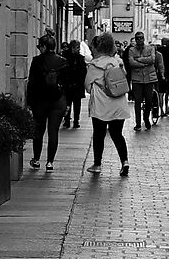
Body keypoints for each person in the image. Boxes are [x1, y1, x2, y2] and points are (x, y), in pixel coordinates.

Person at [84, 30, 133, 176]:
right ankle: (124, 161)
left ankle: (97, 164)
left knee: (99, 134)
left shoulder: (95, 65)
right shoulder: (117, 62)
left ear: (97, 48)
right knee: (117, 134)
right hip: (118, 104)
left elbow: (87, 86)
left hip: (101, 105)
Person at [26, 32, 70, 173]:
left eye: (39, 46)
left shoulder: (37, 61)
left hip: (40, 100)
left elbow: (31, 83)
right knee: (53, 132)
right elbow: (67, 84)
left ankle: (37, 159)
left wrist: (29, 102)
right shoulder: (63, 61)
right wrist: (67, 103)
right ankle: (50, 162)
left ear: (44, 46)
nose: (39, 48)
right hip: (58, 100)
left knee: (38, 130)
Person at [126, 33, 162, 132]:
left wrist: (139, 60)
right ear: (135, 40)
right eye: (138, 38)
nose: (140, 40)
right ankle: (138, 123)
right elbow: (131, 62)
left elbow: (152, 60)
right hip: (137, 79)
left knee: (149, 100)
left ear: (144, 38)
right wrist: (144, 64)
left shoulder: (150, 48)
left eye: (141, 38)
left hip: (149, 78)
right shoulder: (131, 50)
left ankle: (146, 118)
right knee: (137, 101)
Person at [62, 40, 88, 128]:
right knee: (68, 103)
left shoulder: (80, 58)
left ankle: (75, 120)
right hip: (69, 84)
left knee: (75, 104)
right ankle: (67, 120)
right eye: (78, 48)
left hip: (76, 84)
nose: (79, 49)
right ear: (73, 48)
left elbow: (83, 72)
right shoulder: (65, 57)